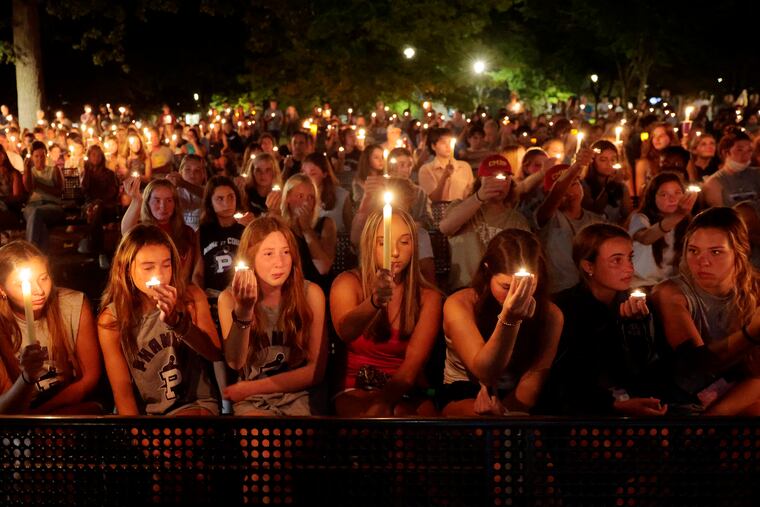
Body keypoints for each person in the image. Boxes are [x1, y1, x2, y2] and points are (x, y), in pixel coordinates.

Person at [540, 224, 667, 416]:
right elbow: (567, 379)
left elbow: (644, 369)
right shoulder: (562, 309)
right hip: (579, 414)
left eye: (630, 258)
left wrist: (635, 328)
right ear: (588, 266)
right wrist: (614, 406)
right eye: (616, 260)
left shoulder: (638, 305)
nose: (629, 268)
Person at [98, 224, 222, 415]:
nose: (160, 275)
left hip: (194, 403)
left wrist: (178, 323)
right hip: (147, 413)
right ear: (126, 269)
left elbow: (214, 352)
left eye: (166, 264)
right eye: (148, 267)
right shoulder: (113, 319)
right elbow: (122, 393)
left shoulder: (191, 297)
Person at [330, 208, 442, 416]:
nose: (395, 252)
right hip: (355, 386)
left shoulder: (428, 297)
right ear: (369, 245)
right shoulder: (348, 283)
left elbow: (411, 367)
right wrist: (374, 302)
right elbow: (345, 331)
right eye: (384, 243)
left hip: (406, 389)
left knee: (406, 419)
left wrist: (383, 402)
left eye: (404, 242)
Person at [652, 207, 760, 415]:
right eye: (693, 250)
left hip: (739, 396)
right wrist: (750, 334)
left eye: (716, 251)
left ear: (740, 251)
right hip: (681, 398)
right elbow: (695, 365)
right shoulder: (671, 293)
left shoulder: (755, 291)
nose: (702, 261)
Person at [441, 229, 561, 416]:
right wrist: (509, 319)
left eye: (527, 287)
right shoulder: (460, 303)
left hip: (517, 397)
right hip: (466, 390)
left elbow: (533, 379)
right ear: (488, 271)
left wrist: (506, 413)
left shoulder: (551, 315)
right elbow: (485, 372)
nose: (515, 296)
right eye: (506, 287)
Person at [217, 216, 327, 415]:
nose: (279, 262)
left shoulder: (311, 294)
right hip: (253, 402)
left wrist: (249, 388)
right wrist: (245, 309)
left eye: (286, 252)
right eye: (268, 254)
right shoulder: (228, 299)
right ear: (251, 258)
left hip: (299, 394)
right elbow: (235, 362)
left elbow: (315, 372)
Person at [0, 241, 101, 414]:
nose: (38, 290)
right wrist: (27, 377)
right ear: (2, 289)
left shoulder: (72, 305)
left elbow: (90, 378)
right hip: (18, 424)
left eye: (43, 278)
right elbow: (4, 407)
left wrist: (42, 414)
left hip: (68, 410)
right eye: (22, 284)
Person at [439, 155, 531, 290]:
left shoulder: (517, 219)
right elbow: (445, 228)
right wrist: (479, 196)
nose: (499, 182)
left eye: (505, 177)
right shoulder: (460, 206)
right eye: (491, 177)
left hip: (501, 291)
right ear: (480, 180)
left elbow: (524, 257)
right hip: (465, 288)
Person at [536, 149, 606, 294]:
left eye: (574, 184)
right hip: (559, 293)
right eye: (564, 189)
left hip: (592, 293)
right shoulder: (546, 218)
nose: (569, 193)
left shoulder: (595, 220)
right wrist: (576, 166)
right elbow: (556, 193)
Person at [121, 178, 199, 284]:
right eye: (157, 200)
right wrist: (136, 200)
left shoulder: (187, 233)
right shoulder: (142, 231)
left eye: (169, 200)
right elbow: (126, 232)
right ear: (147, 202)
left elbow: (186, 274)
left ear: (175, 204)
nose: (163, 206)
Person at [628, 172, 697, 288]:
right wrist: (677, 215)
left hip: (672, 285)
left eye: (677, 193)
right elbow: (645, 238)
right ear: (652, 197)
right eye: (664, 194)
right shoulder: (640, 218)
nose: (672, 199)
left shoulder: (688, 223)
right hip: (642, 284)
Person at [280, 174, 336, 290]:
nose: (306, 202)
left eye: (310, 198)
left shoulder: (326, 224)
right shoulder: (281, 228)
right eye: (300, 196)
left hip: (320, 289)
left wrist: (306, 229)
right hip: (292, 290)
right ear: (288, 198)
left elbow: (323, 267)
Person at [192, 176, 246, 297]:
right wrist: (202, 298)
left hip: (240, 293)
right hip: (211, 294)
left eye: (231, 197)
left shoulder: (245, 228)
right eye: (220, 199)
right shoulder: (203, 232)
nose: (226, 203)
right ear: (210, 203)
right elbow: (198, 273)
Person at [80, 145, 120, 268]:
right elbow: (84, 191)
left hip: (106, 206)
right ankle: (101, 252)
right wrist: (86, 172)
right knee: (93, 211)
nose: (96, 157)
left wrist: (99, 202)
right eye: (93, 155)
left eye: (98, 155)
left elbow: (113, 192)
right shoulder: (86, 173)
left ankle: (91, 243)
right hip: (89, 206)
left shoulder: (109, 174)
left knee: (98, 209)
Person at [703, 129, 760, 211]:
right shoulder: (714, 182)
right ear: (726, 152)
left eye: (749, 150)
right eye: (740, 150)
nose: (745, 155)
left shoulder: (757, 174)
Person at [22, 141, 64, 251]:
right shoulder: (30, 172)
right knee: (41, 226)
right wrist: (26, 170)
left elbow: (60, 191)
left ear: (46, 156)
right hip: (32, 205)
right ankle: (43, 259)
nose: (39, 159)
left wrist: (40, 185)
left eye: (42, 156)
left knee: (37, 213)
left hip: (52, 206)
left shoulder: (53, 170)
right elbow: (28, 188)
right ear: (31, 157)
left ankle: (31, 251)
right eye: (36, 156)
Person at [581, 140, 632, 225]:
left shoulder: (621, 187)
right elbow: (595, 213)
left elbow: (627, 216)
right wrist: (609, 187)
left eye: (613, 159)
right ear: (593, 161)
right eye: (603, 159)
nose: (609, 164)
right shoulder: (583, 186)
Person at [418, 128, 474, 202]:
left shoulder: (464, 167)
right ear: (433, 146)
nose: (448, 146)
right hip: (439, 212)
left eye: (450, 142)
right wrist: (444, 177)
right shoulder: (426, 170)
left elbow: (470, 195)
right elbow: (432, 200)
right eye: (443, 143)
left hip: (461, 211)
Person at [301, 152, 353, 234]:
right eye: (304, 173)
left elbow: (351, 229)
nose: (307, 179)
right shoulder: (298, 197)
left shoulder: (341, 195)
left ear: (324, 174)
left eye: (312, 174)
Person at [634, 123, 678, 196]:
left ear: (671, 137)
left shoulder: (681, 158)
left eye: (661, 136)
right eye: (654, 136)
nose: (656, 139)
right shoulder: (643, 163)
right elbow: (640, 193)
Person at [166, 154, 207, 231]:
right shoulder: (174, 191)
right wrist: (166, 185)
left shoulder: (208, 191)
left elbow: (208, 195)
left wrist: (184, 184)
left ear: (203, 175)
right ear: (180, 172)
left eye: (197, 170)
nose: (192, 174)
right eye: (188, 169)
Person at [243, 153, 282, 217]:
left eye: (268, 170)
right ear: (252, 172)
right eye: (258, 170)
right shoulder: (246, 191)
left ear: (274, 172)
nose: (263, 174)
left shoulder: (279, 195)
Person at [0, 144, 25, 231]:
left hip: (10, 210)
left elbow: (17, 197)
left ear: (3, 156)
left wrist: (3, 200)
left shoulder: (14, 174)